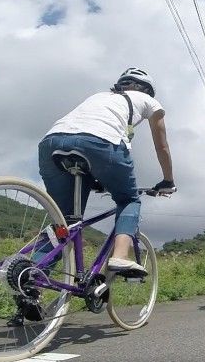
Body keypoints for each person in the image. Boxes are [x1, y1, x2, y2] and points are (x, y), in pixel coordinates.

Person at [38, 67, 176, 276]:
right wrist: (168, 180)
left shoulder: (100, 96)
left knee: (63, 222)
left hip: (51, 143)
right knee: (129, 200)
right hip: (99, 142)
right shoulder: (149, 100)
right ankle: (120, 257)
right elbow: (162, 146)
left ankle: (32, 278)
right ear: (147, 90)